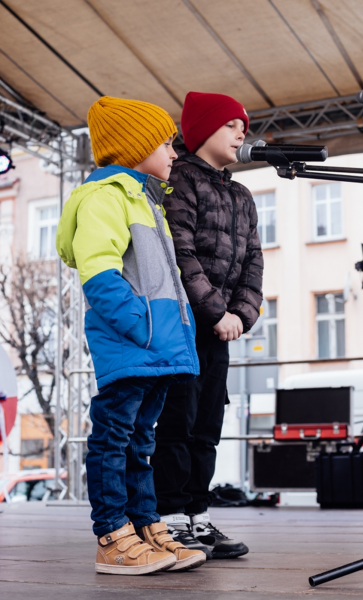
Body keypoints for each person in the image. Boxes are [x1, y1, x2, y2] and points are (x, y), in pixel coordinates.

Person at [56, 96, 206, 576]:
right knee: (115, 437)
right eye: (165, 143)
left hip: (155, 346)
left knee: (141, 440)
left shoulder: (146, 200)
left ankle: (145, 525)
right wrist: (142, 328)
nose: (174, 153)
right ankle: (111, 535)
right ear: (133, 146)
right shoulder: (105, 197)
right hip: (133, 344)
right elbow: (100, 274)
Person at [152, 91, 264, 559]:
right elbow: (180, 253)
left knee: (208, 424)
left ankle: (199, 516)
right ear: (204, 131)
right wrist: (216, 312)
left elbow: (254, 261)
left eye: (244, 124)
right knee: (177, 420)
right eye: (231, 124)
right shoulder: (179, 180)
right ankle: (172, 518)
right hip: (184, 325)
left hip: (223, 329)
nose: (242, 130)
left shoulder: (242, 194)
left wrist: (241, 315)